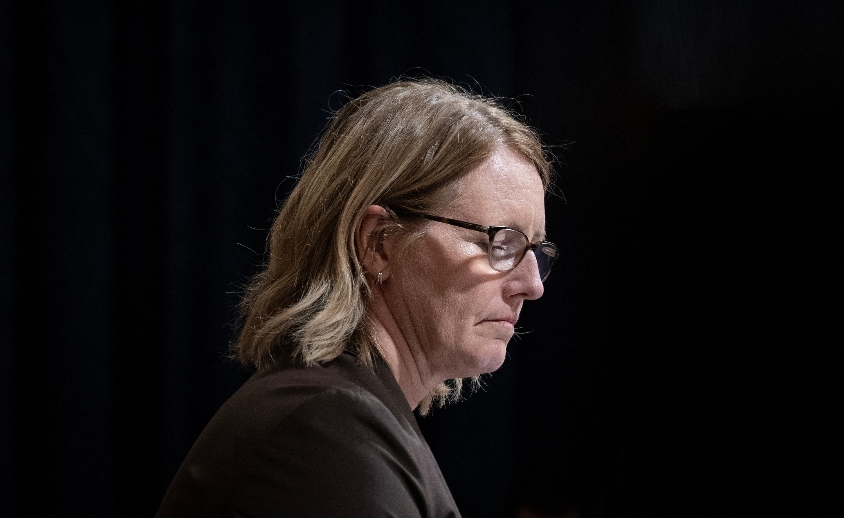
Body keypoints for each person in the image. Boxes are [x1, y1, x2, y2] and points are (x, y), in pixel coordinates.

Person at [156, 79, 558, 518]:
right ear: (378, 242)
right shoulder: (322, 436)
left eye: (536, 250)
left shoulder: (352, 420)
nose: (532, 284)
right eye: (501, 243)